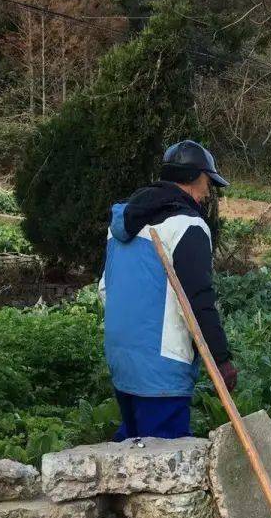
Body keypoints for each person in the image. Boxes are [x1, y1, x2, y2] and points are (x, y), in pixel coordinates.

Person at [101, 140, 237, 440]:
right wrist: (221, 359)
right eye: (206, 182)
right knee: (164, 459)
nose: (207, 191)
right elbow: (198, 299)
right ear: (191, 179)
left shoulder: (121, 224)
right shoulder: (186, 226)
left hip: (122, 356)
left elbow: (105, 288)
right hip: (162, 366)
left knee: (133, 451)